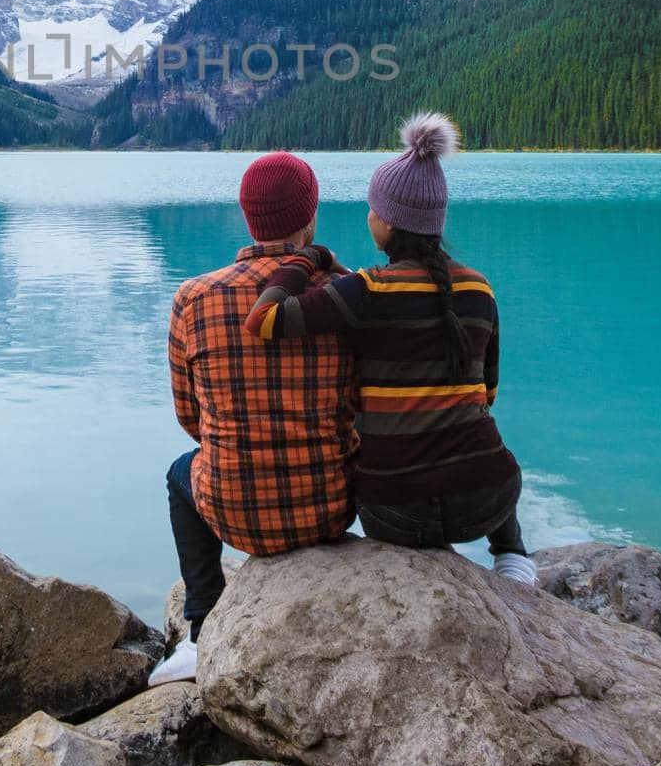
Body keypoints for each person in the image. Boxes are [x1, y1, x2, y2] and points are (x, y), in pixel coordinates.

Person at [244, 112, 536, 585]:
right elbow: (488, 394)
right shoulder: (479, 288)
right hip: (488, 501)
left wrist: (309, 256)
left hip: (396, 515)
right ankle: (513, 556)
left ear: (387, 224)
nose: (369, 216)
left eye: (373, 208)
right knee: (475, 425)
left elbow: (266, 319)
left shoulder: (367, 291)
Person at [149, 151, 359, 685]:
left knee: (181, 474)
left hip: (234, 512)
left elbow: (190, 418)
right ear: (310, 216)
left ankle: (201, 633)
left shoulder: (193, 298)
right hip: (332, 509)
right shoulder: (348, 292)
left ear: (247, 216)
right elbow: (365, 404)